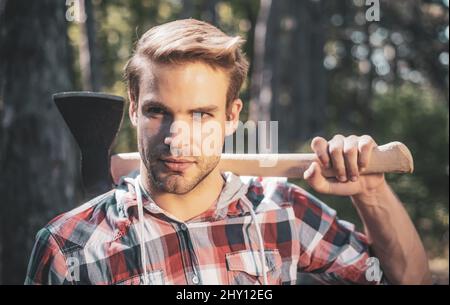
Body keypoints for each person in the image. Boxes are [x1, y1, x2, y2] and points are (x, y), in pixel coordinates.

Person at [25, 19, 431, 285]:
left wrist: (371, 192)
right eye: (157, 112)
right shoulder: (69, 247)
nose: (176, 137)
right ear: (133, 108)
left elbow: (408, 279)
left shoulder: (282, 212)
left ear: (232, 116)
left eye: (201, 114)